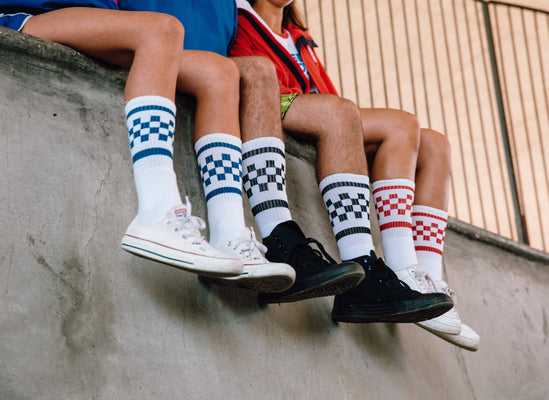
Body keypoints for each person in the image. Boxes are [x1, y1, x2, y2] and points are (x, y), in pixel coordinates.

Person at [229, 0, 479, 350]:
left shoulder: (300, 38)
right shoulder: (240, 16)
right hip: (278, 106)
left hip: (321, 113)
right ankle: (402, 267)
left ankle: (428, 279)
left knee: (435, 144)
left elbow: (329, 97)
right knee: (398, 121)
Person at [0, 1, 297, 293]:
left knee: (221, 73)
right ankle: (156, 214)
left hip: (98, 21)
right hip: (28, 14)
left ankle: (229, 236)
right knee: (163, 29)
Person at [116, 0, 372, 301]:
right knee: (251, 72)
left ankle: (233, 236)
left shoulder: (298, 37)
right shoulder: (243, 13)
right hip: (257, 93)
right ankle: (164, 213)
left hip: (211, 70)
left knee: (395, 127)